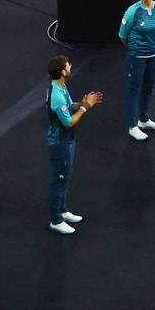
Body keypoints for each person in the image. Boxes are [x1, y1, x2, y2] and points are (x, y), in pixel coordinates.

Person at [44, 55, 101, 233]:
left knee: (65, 177)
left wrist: (80, 104)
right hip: (60, 142)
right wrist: (85, 108)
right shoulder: (57, 96)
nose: (70, 67)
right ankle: (55, 220)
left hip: (67, 140)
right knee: (59, 180)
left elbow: (69, 107)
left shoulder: (61, 87)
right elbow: (68, 122)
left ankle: (62, 209)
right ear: (62, 71)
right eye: (68, 65)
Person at [117, 0, 155, 138]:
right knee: (135, 89)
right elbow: (122, 35)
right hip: (137, 57)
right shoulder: (133, 11)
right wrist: (134, 48)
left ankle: (143, 119)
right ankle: (132, 126)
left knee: (149, 87)